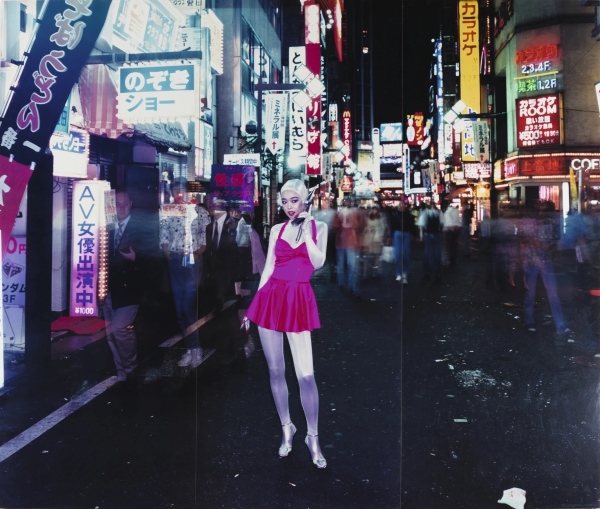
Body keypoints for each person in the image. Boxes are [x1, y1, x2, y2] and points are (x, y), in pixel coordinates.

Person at [242, 179, 328, 469]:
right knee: (276, 370)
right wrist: (251, 307)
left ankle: (313, 437)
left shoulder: (319, 228)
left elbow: (317, 263)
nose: (290, 207)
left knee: (306, 375)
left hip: (298, 299)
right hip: (270, 299)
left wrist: (305, 233)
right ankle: (287, 428)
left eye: (295, 200)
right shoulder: (277, 230)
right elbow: (268, 269)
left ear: (305, 200)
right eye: (285, 201)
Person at [160, 179, 202, 367]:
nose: (178, 193)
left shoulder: (197, 210)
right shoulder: (168, 209)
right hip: (175, 260)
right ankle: (189, 349)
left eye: (181, 189)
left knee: (187, 307)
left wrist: (193, 255)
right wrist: (169, 254)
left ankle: (196, 349)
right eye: (175, 190)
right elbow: (163, 235)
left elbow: (203, 239)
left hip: (191, 259)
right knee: (179, 310)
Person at [104, 191, 145, 382]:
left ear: (131, 204)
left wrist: (137, 259)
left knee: (120, 328)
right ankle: (121, 371)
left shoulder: (140, 228)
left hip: (130, 289)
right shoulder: (108, 226)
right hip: (107, 288)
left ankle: (131, 368)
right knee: (110, 332)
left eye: (125, 203)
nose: (121, 207)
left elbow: (155, 256)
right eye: (117, 204)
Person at [520, 201, 570, 335]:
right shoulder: (530, 221)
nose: (541, 212)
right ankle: (530, 320)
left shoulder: (550, 222)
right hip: (533, 260)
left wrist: (551, 246)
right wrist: (543, 245)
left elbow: (554, 241)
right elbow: (525, 238)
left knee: (552, 294)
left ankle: (560, 324)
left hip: (544, 261)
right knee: (532, 293)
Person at [417, 201, 444, 283]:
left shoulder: (428, 213)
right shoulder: (437, 213)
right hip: (432, 235)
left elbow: (421, 225)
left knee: (432, 255)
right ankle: (432, 273)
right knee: (432, 255)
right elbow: (442, 224)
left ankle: (431, 273)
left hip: (432, 235)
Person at [443, 201, 461, 267]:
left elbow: (449, 222)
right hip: (456, 230)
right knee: (454, 246)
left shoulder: (447, 212)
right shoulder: (456, 211)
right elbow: (459, 220)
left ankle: (450, 260)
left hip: (449, 230)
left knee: (448, 246)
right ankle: (453, 260)